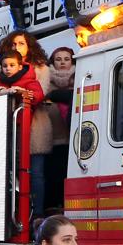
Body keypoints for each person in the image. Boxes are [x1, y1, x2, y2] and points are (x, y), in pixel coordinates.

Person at [0, 32, 53, 218]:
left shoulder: (41, 68)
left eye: (21, 43)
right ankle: (12, 216)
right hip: (8, 126)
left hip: (34, 125)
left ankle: (36, 217)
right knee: (10, 174)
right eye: (13, 44)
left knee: (35, 173)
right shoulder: (1, 69)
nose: (16, 47)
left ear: (29, 46)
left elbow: (41, 93)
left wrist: (17, 91)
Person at [45, 47, 76, 210]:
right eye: (58, 59)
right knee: (53, 175)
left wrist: (56, 96)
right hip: (52, 138)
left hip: (74, 140)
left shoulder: (82, 79)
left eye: (66, 59)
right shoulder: (45, 81)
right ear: (52, 62)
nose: (63, 62)